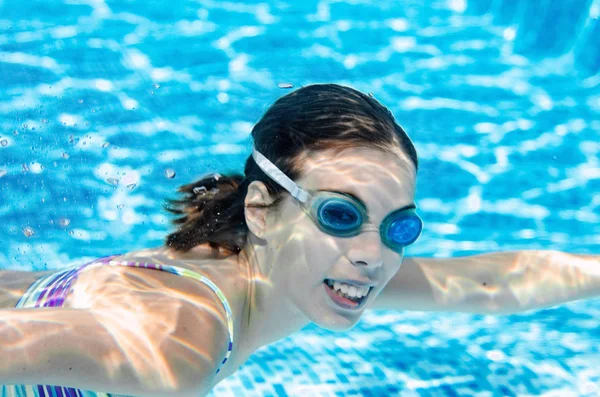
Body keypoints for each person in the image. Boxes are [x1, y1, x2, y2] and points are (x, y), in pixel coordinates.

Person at [0, 84, 598, 397]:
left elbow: (488, 285)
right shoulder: (180, 342)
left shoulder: (267, 265)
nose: (374, 254)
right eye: (339, 215)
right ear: (263, 211)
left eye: (400, 228)